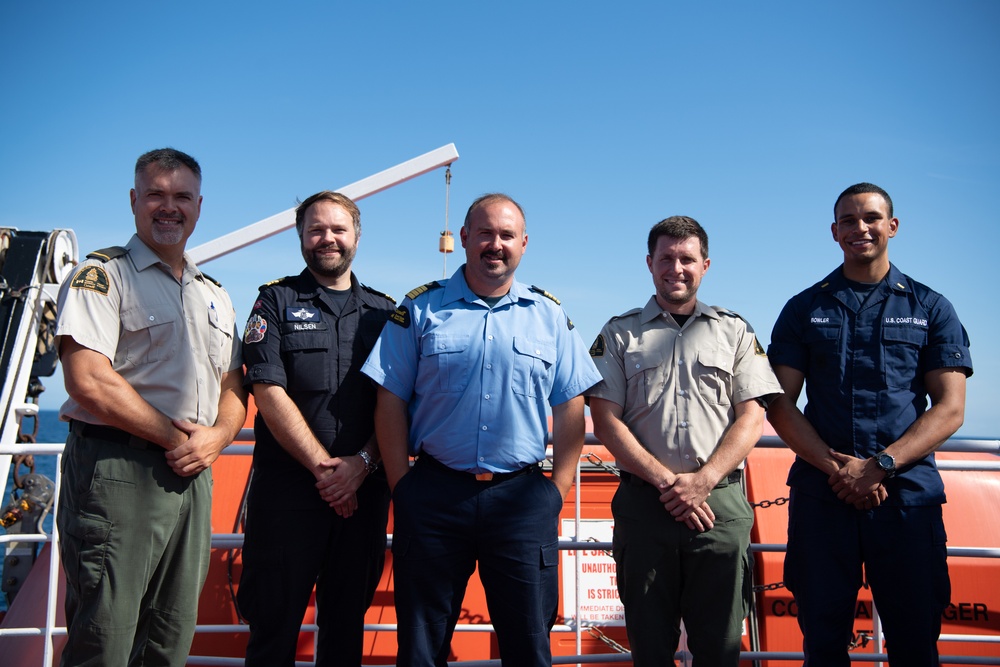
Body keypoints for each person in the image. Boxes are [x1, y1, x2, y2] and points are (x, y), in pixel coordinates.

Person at [361, 193, 601, 667]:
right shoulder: (421, 309)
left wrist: (557, 491)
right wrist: (401, 486)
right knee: (420, 648)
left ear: (524, 244)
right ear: (465, 238)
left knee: (529, 645)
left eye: (507, 235)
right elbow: (389, 399)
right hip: (433, 498)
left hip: (522, 501)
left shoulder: (549, 316)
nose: (496, 244)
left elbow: (572, 404)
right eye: (486, 233)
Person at [55, 148, 247, 666]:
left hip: (193, 474)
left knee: (170, 637)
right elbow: (89, 380)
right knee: (106, 638)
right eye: (156, 195)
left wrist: (217, 437)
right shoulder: (103, 276)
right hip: (119, 471)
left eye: (181, 196)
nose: (169, 207)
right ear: (134, 200)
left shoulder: (215, 295)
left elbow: (234, 387)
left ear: (199, 206)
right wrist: (176, 437)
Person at [767, 182, 972, 666]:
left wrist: (879, 466)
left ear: (892, 226)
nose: (860, 228)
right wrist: (839, 470)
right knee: (822, 643)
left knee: (915, 644)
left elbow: (950, 408)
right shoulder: (804, 309)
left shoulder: (930, 308)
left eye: (872, 218)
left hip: (906, 499)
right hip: (824, 496)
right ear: (834, 232)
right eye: (849, 220)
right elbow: (778, 402)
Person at [586, 216, 782, 666]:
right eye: (667, 258)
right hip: (645, 509)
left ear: (706, 265)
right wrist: (667, 483)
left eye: (687, 259)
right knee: (650, 648)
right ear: (650, 264)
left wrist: (703, 481)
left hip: (720, 506)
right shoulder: (619, 333)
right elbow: (604, 419)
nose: (677, 267)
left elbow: (752, 416)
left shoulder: (735, 331)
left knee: (721, 647)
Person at [237, 190, 395, 666]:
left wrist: (361, 466)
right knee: (273, 631)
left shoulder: (386, 314)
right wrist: (329, 472)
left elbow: (398, 403)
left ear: (357, 236)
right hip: (288, 497)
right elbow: (267, 391)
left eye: (338, 228)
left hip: (362, 498)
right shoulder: (273, 302)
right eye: (316, 229)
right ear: (302, 237)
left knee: (345, 631)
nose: (327, 238)